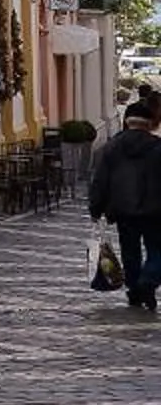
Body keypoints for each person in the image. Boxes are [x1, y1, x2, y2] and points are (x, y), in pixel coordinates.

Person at [88, 100, 161, 313]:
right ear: (149, 123)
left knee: (131, 252)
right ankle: (147, 281)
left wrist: (96, 207)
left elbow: (100, 180)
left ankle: (135, 290)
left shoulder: (111, 147)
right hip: (155, 209)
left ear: (127, 122)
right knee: (157, 250)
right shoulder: (157, 147)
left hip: (123, 210)